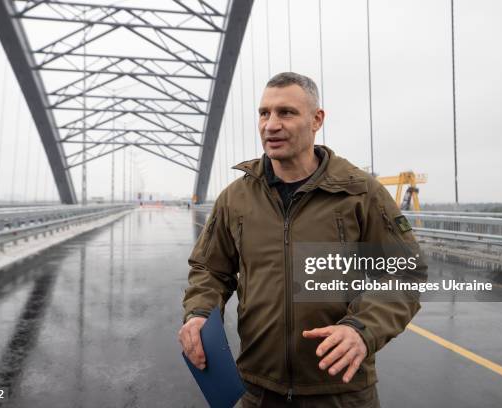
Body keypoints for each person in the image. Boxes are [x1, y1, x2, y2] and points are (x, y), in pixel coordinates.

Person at [179, 72, 427, 407]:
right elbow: (210, 269)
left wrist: (361, 329)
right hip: (258, 389)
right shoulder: (235, 198)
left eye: (286, 113)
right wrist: (198, 313)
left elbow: (405, 271)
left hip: (340, 392)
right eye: (264, 113)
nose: (271, 125)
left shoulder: (359, 192)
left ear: (317, 119)